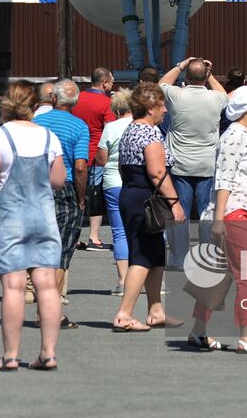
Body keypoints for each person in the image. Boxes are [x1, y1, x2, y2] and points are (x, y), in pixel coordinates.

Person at [0, 80, 67, 371]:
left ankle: (10, 355)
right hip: (43, 215)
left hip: (9, 217)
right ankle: (48, 353)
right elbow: (57, 180)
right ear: (33, 105)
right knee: (47, 285)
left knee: (14, 286)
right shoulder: (48, 136)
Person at [187, 85, 247, 354]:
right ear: (246, 109)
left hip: (242, 214)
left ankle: (198, 331)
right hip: (232, 214)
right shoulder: (233, 137)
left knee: (221, 275)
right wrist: (219, 219)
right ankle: (246, 336)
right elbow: (223, 179)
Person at [113, 82, 186, 333]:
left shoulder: (131, 129)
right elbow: (157, 172)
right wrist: (175, 203)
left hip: (133, 194)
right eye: (162, 105)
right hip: (146, 197)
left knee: (154, 255)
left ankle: (155, 311)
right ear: (151, 107)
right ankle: (124, 314)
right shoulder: (150, 133)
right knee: (142, 256)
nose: (165, 110)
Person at [159, 57, 228, 266]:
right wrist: (210, 74)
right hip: (206, 165)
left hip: (180, 164)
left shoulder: (176, 96)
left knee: (180, 212)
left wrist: (180, 65)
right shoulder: (216, 98)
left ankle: (179, 257)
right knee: (207, 212)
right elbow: (225, 94)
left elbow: (161, 83)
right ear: (205, 77)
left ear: (186, 76)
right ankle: (207, 256)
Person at [36, 78, 89, 327]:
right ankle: (51, 311)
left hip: (37, 188)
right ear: (75, 102)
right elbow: (80, 167)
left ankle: (40, 308)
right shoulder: (79, 127)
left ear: (53, 99)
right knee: (60, 253)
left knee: (39, 251)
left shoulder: (36, 123)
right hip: (65, 188)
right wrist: (81, 198)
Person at [72, 67, 116, 251]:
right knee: (96, 196)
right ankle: (94, 237)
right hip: (97, 155)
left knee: (76, 195)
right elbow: (110, 129)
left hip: (76, 153)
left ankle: (73, 237)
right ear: (105, 82)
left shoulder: (76, 98)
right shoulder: (107, 103)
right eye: (111, 82)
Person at [96, 88, 133, 295]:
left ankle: (122, 280)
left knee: (119, 232)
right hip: (137, 182)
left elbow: (102, 158)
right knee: (142, 230)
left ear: (117, 110)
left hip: (113, 180)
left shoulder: (110, 128)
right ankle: (150, 279)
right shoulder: (143, 125)